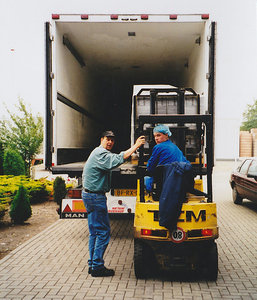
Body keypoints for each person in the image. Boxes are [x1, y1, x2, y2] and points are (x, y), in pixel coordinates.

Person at [82, 130, 145, 277]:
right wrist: (135, 146)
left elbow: (114, 159)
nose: (110, 142)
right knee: (103, 232)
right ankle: (97, 266)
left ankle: (92, 264)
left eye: (112, 140)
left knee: (94, 232)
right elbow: (118, 159)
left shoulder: (99, 153)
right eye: (107, 139)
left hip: (89, 195)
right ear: (101, 139)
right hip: (95, 198)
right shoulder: (100, 154)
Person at [145, 124, 189, 192]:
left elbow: (150, 167)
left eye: (158, 135)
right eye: (155, 136)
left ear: (166, 135)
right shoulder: (176, 148)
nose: (156, 138)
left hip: (164, 183)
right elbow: (186, 164)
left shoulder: (158, 147)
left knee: (145, 179)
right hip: (178, 184)